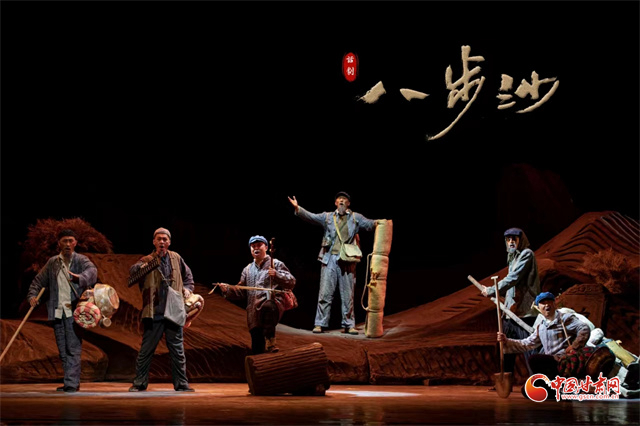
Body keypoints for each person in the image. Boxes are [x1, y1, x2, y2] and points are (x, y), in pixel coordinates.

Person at [288, 192, 378, 335]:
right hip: (329, 258)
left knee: (348, 294)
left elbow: (369, 224)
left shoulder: (356, 217)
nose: (342, 201)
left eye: (345, 199)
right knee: (325, 293)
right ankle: (320, 323)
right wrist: (298, 208)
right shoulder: (328, 217)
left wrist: (380, 223)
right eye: (339, 199)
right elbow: (312, 217)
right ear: (335, 203)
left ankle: (349, 324)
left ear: (348, 203)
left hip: (347, 258)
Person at [26, 229, 98, 393]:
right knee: (62, 348)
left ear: (75, 243)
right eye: (64, 241)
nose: (67, 244)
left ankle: (71, 383)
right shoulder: (53, 262)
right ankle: (69, 381)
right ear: (59, 243)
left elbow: (92, 272)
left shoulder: (81, 260)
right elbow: (38, 281)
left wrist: (78, 278)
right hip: (58, 311)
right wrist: (32, 296)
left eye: (70, 240)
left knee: (73, 347)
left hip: (74, 311)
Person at [128, 228, 195, 392]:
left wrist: (187, 289)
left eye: (165, 239)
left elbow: (188, 277)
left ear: (169, 242)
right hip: (154, 311)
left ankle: (181, 384)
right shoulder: (147, 259)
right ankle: (139, 383)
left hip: (174, 310)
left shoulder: (176, 258)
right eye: (159, 239)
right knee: (146, 350)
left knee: (177, 351)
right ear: (154, 242)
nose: (162, 242)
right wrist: (142, 267)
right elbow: (133, 271)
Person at [497, 292, 592, 398]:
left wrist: (574, 346)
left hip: (565, 362)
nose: (547, 305)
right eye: (543, 303)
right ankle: (557, 390)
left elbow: (584, 328)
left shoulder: (565, 319)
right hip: (551, 364)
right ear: (538, 307)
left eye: (549, 301)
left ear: (554, 304)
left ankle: (562, 386)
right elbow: (527, 343)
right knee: (526, 391)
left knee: (534, 359)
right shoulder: (541, 327)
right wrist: (506, 341)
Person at [220, 235, 296, 354]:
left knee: (268, 307)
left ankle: (271, 341)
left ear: (266, 247)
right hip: (253, 312)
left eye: (259, 245)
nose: (256, 248)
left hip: (272, 305)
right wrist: (227, 289)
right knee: (257, 345)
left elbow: (291, 281)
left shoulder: (275, 263)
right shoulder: (247, 269)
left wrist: (277, 274)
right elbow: (241, 291)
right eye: (253, 246)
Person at [481, 227, 541, 374]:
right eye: (508, 239)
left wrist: (491, 290)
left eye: (514, 239)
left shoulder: (527, 254)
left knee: (529, 349)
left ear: (521, 240)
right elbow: (512, 286)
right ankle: (505, 380)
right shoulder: (512, 257)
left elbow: (513, 278)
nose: (511, 242)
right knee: (506, 348)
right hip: (511, 312)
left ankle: (537, 381)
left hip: (524, 313)